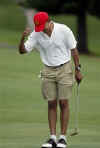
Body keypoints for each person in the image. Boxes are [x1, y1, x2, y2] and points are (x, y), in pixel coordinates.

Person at [19, 12, 83, 148]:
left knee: (64, 102)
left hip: (64, 68)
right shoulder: (37, 34)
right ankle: (53, 138)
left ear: (49, 21)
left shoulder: (63, 30)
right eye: (39, 27)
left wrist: (78, 69)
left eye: (43, 26)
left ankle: (63, 138)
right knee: (51, 103)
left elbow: (74, 49)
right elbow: (23, 50)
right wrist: (22, 39)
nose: (41, 29)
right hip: (47, 70)